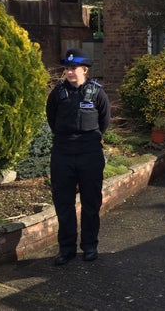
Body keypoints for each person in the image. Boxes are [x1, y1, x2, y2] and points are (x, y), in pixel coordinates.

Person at [46, 48, 110, 266]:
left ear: (85, 70)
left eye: (73, 68)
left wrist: (89, 140)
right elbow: (51, 119)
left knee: (91, 203)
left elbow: (104, 121)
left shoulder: (97, 93)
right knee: (63, 203)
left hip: (89, 154)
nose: (69, 72)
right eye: (67, 68)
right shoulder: (57, 93)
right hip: (63, 153)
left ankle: (90, 246)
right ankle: (66, 249)